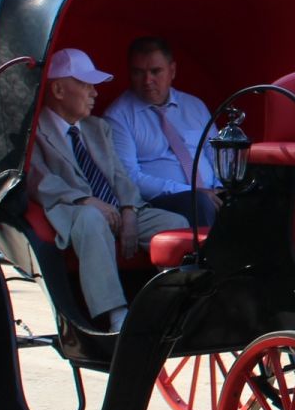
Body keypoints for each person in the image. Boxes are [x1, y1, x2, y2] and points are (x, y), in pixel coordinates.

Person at [29, 48, 188, 332]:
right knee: (91, 220)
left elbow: (119, 175)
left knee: (175, 224)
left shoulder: (96, 127)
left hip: (116, 208)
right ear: (59, 89)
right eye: (86, 85)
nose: (95, 93)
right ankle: (116, 315)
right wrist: (86, 200)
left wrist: (128, 210)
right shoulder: (35, 131)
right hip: (73, 211)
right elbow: (39, 180)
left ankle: (173, 302)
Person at [105, 35, 222, 227]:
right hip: (161, 201)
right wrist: (191, 191)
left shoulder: (194, 105)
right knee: (199, 204)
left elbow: (215, 152)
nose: (147, 80)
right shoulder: (118, 116)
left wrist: (220, 187)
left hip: (210, 193)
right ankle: (209, 257)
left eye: (155, 71)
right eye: (138, 72)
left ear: (172, 71)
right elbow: (129, 177)